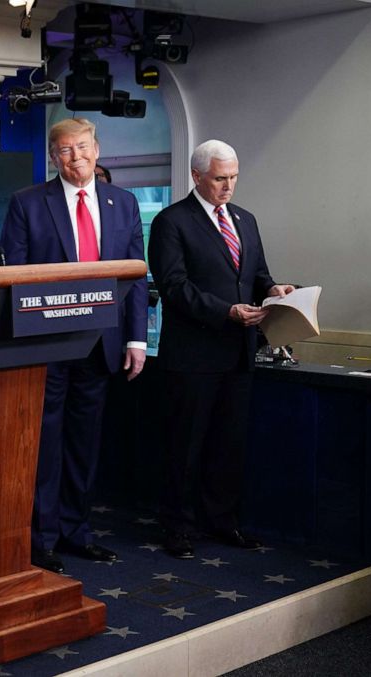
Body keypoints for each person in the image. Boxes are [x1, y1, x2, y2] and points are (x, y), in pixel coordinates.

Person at [0, 118, 148, 574]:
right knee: (44, 446)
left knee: (85, 444)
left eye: (82, 147)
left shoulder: (122, 203)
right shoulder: (28, 203)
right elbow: (12, 278)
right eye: (65, 150)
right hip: (44, 345)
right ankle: (40, 539)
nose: (75, 157)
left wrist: (137, 337)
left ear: (97, 150)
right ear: (53, 156)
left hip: (101, 344)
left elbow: (137, 275)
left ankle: (76, 532)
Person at [147, 139, 294, 559]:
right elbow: (173, 287)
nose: (228, 186)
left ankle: (222, 522)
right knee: (185, 447)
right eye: (219, 179)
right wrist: (226, 311)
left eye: (233, 178)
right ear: (197, 176)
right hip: (192, 355)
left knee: (229, 446)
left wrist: (274, 289)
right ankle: (176, 527)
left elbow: (258, 274)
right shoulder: (171, 222)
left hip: (238, 353)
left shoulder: (245, 219)